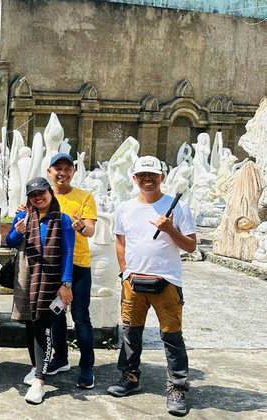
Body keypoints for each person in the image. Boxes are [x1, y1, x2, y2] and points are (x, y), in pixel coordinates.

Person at [107, 155, 196, 416]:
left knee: (171, 336)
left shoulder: (177, 207)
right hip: (133, 282)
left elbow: (190, 245)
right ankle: (130, 378)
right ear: (133, 178)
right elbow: (121, 242)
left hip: (167, 281)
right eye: (142, 175)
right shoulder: (124, 208)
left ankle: (177, 387)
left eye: (152, 175)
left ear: (162, 177)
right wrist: (125, 272)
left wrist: (170, 229)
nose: (147, 179)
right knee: (130, 333)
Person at [5, 177, 74, 404]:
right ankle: (37, 368)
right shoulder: (23, 216)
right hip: (29, 279)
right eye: (33, 194)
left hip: (51, 282)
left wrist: (65, 284)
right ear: (29, 198)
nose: (38, 197)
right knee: (31, 323)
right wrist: (18, 231)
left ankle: (39, 380)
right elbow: (10, 242)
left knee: (44, 326)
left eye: (42, 192)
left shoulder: (63, 220)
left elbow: (67, 252)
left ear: (50, 193)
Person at [43, 153, 98, 388]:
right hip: (51, 266)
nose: (62, 172)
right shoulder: (43, 196)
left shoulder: (84, 197)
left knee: (80, 317)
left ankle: (87, 367)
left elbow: (91, 230)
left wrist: (81, 226)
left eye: (67, 168)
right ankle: (61, 358)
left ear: (74, 172)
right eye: (58, 168)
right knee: (55, 316)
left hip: (78, 265)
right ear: (49, 171)